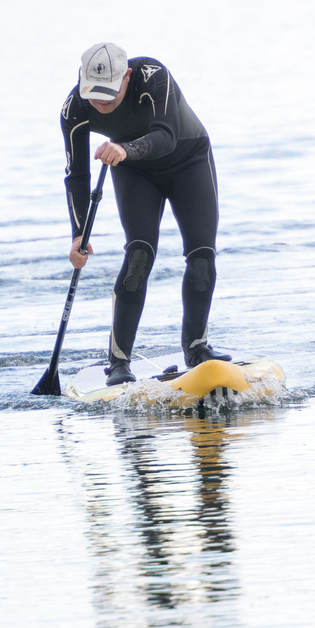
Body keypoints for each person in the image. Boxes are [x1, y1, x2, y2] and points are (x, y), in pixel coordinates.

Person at [61, 42, 230, 386]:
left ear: (127, 77)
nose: (101, 103)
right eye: (94, 94)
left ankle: (197, 349)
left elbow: (165, 137)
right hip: (133, 170)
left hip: (188, 160)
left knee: (201, 255)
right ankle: (119, 362)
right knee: (139, 254)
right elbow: (77, 174)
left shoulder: (154, 77)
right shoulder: (73, 109)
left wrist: (123, 148)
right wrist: (79, 233)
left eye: (109, 93)